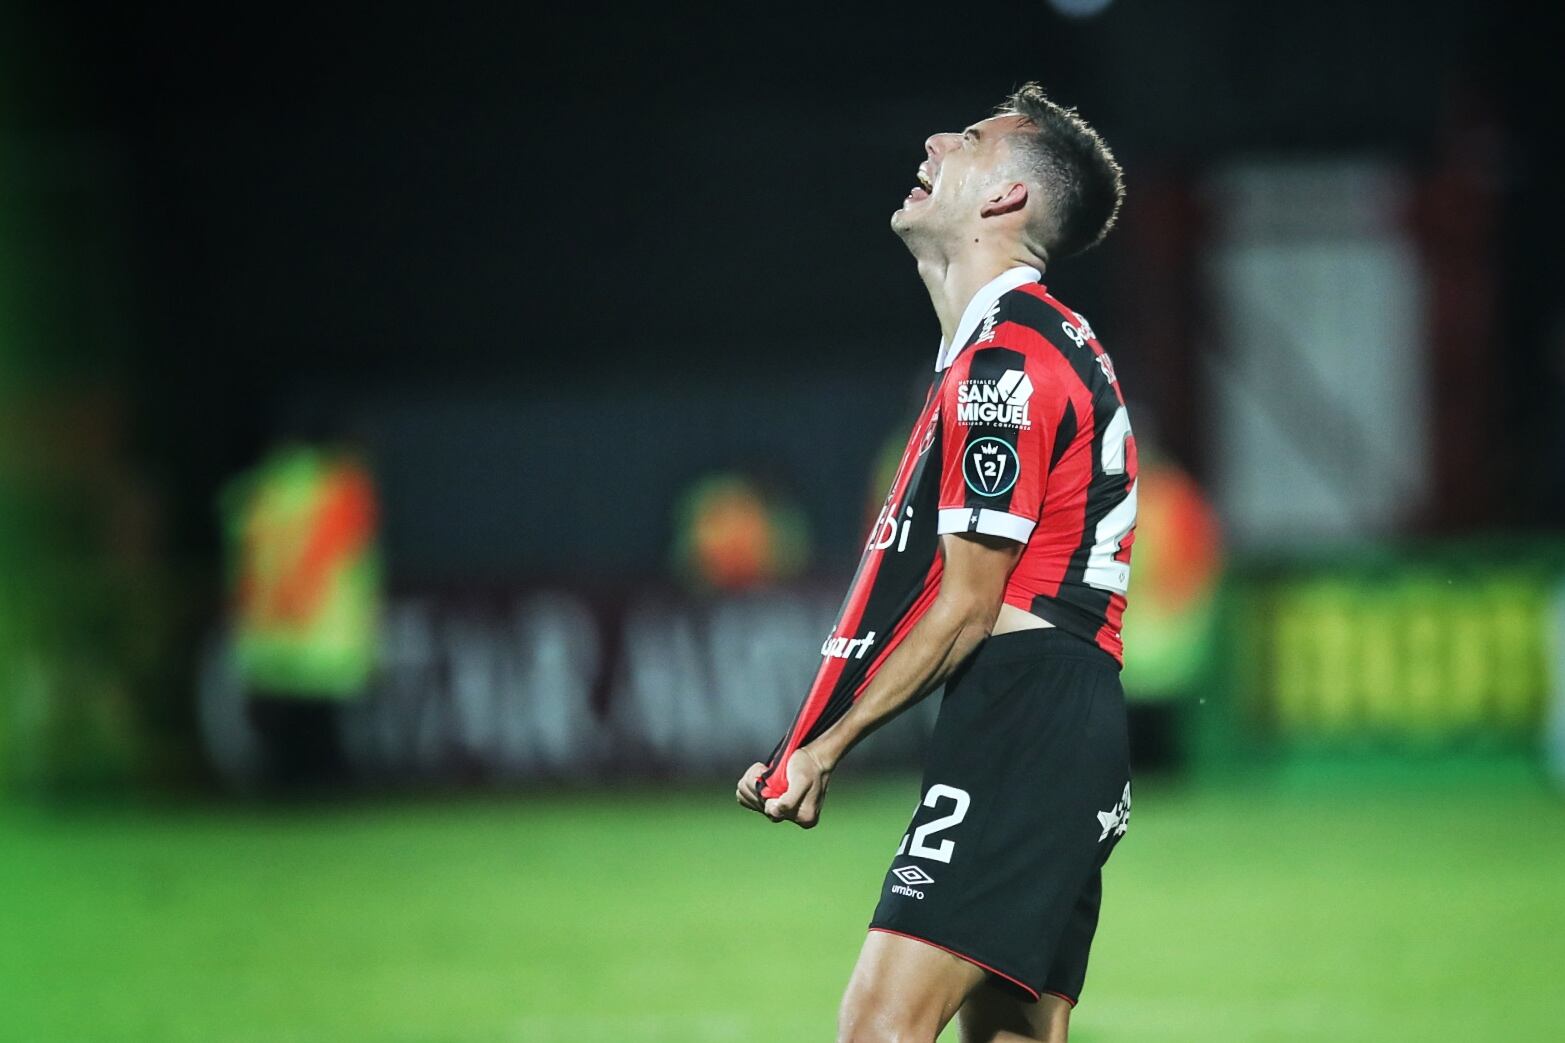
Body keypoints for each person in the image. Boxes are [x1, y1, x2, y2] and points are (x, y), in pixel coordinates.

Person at [736, 84, 1135, 1043]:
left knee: (877, 1027)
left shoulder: (1007, 362)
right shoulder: (1024, 347)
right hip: (1064, 716)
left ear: (1005, 200)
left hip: (1027, 714)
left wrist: (824, 743)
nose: (933, 140)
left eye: (969, 139)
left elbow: (964, 607)